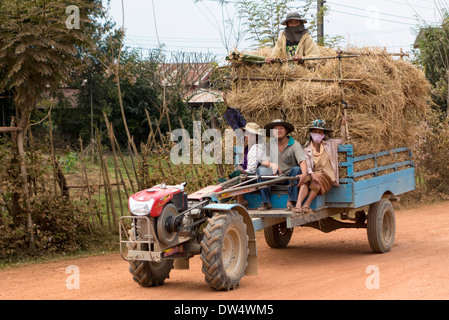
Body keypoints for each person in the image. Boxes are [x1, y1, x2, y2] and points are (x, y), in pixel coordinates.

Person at [292, 119, 343, 214]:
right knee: (305, 180)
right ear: (311, 133)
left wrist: (343, 125)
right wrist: (311, 174)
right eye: (315, 132)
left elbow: (343, 139)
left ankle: (306, 205)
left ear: (324, 134)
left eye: (320, 132)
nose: (317, 134)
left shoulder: (330, 144)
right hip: (313, 173)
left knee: (317, 178)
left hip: (328, 176)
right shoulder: (306, 149)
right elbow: (306, 164)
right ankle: (298, 205)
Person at [257, 119, 308, 211]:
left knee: (296, 169)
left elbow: (302, 161)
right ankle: (265, 202)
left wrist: (304, 173)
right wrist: (272, 165)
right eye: (275, 129)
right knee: (261, 170)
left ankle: (291, 201)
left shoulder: (294, 144)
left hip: (289, 177)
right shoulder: (270, 144)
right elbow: (263, 161)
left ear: (286, 131)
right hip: (275, 176)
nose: (278, 131)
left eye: (281, 128)